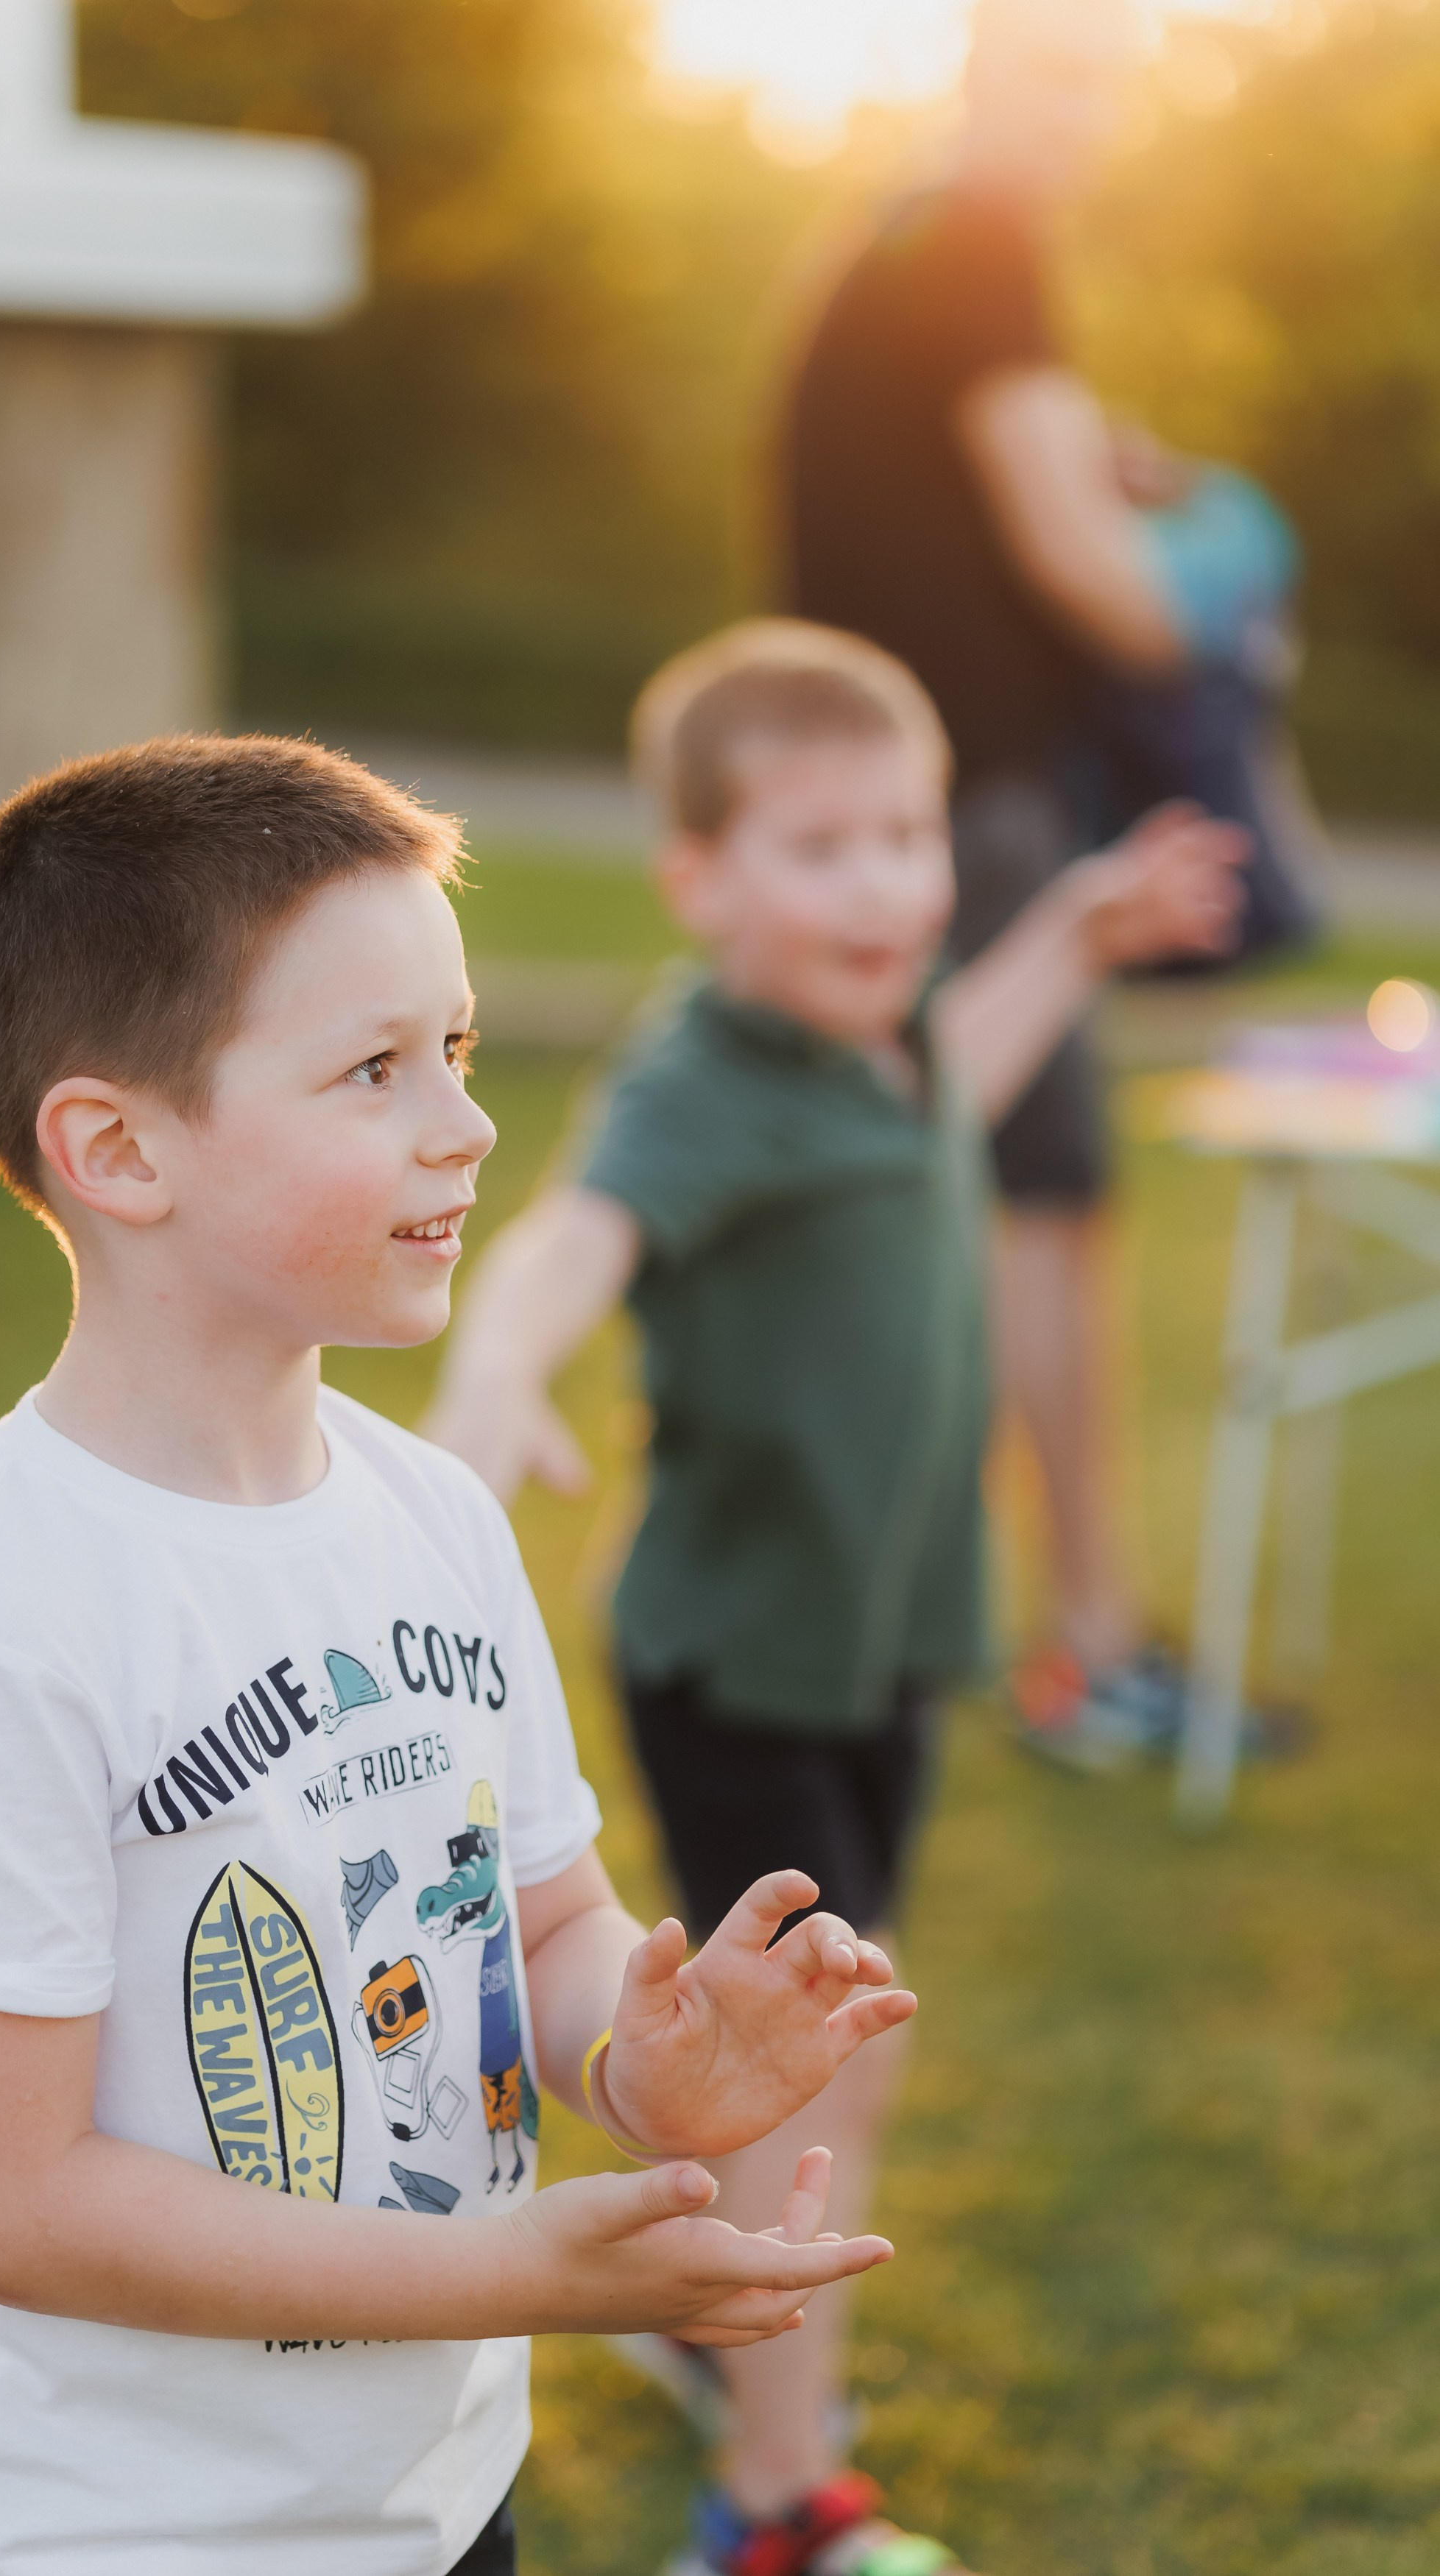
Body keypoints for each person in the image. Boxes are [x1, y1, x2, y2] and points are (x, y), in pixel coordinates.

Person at [0, 732, 928, 2576]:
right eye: (375, 1070)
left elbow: (550, 1923)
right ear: (117, 1148)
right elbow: (8, 2201)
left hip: (429, 2483)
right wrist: (495, 2267)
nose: (468, 1122)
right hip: (131, 2535)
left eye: (462, 1048)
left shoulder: (434, 1519)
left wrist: (638, 2061)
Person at [423, 620, 1245, 2576]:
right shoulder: (701, 1075)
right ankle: (775, 2507)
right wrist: (495, 1359)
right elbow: (578, 1226)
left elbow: (950, 1080)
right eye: (817, 845)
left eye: (903, 834)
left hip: (882, 1650)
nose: (880, 881)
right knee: (825, 2077)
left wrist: (1070, 932)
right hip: (742, 1665)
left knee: (796, 2058)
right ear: (694, 877)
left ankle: (726, 2355)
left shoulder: (881, 1044)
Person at [781, 0, 1313, 1766]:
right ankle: (1086, 1661)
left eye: (1112, 83)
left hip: (911, 801)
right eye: (1067, 75)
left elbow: (1054, 472)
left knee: (971, 1192)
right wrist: (1222, 605)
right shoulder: (987, 244)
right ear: (989, 74)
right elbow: (1092, 566)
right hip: (974, 807)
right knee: (1037, 1204)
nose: (1092, 118)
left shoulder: (905, 243)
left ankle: (1029, 1638)